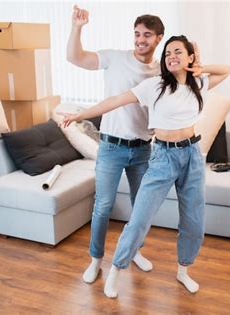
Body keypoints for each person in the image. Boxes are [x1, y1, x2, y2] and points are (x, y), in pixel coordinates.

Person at [61, 35, 230, 298]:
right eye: (167, 53)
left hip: (193, 155)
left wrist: (200, 68)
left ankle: (184, 270)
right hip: (163, 157)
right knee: (140, 218)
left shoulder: (199, 84)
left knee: (194, 218)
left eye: (178, 52)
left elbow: (227, 70)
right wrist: (80, 115)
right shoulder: (154, 86)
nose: (171, 56)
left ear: (189, 57)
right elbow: (115, 101)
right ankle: (117, 269)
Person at [66, 5, 165, 284]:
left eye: (147, 35)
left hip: (143, 149)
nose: (140, 40)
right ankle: (96, 260)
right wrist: (77, 27)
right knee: (103, 205)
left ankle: (134, 252)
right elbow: (74, 57)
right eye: (136, 34)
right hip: (111, 147)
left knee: (140, 207)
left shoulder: (160, 71)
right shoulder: (115, 58)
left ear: (158, 38)